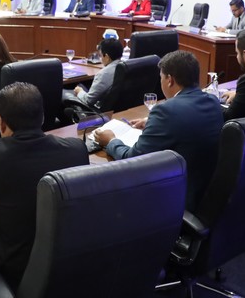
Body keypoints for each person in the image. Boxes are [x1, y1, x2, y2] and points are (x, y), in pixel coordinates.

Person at [0, 82, 90, 290]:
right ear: (42, 117)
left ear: (1, 123)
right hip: (72, 270)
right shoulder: (76, 149)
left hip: (17, 281)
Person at [94, 50, 223, 211]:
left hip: (176, 198)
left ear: (170, 80)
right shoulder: (212, 101)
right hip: (207, 192)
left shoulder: (166, 111)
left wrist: (111, 141)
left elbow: (133, 159)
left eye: (161, 77)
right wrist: (153, 122)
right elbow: (187, 123)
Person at [71, 38, 123, 110]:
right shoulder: (127, 67)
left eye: (100, 55)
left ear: (107, 57)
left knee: (66, 92)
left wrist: (79, 91)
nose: (100, 59)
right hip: (121, 108)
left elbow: (88, 101)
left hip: (100, 112)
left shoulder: (103, 74)